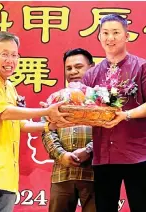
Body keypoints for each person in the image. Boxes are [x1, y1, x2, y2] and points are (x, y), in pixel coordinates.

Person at [0, 31, 74, 212]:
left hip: (7, 175)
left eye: (14, 55)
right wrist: (46, 111)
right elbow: (3, 113)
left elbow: (21, 124)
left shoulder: (10, 87)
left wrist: (48, 125)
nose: (10, 60)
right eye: (4, 54)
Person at [82, 14, 146, 212]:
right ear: (99, 37)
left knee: (141, 207)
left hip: (135, 153)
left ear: (127, 36)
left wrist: (125, 115)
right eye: (105, 33)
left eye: (116, 33)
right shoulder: (91, 74)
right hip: (103, 155)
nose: (110, 38)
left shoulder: (143, 67)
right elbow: (84, 108)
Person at [42, 48, 96, 212]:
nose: (73, 72)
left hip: (94, 173)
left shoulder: (103, 98)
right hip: (62, 172)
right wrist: (62, 155)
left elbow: (111, 132)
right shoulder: (55, 99)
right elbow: (47, 131)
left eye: (78, 67)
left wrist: (88, 150)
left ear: (92, 67)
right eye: (69, 68)